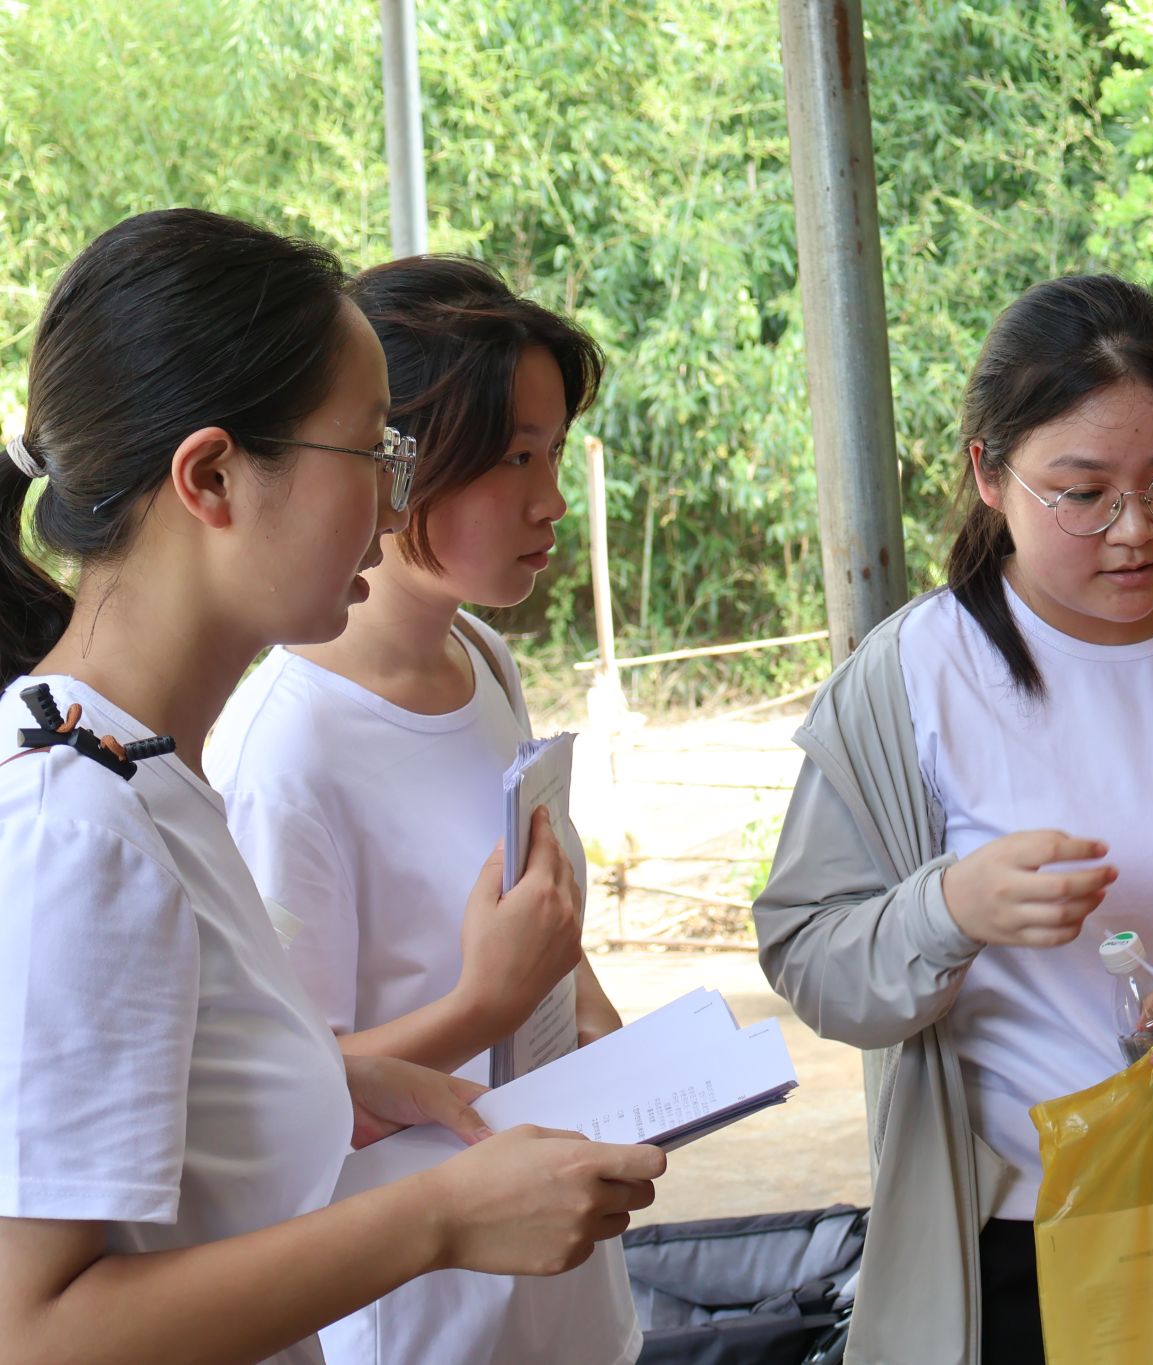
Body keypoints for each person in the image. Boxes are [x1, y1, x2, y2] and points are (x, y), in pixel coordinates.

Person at [0, 208, 663, 1365]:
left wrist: (343, 1079)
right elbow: (35, 1328)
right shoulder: (78, 823)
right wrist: (439, 1217)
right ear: (211, 478)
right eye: (374, 456)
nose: (392, 505)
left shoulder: (139, 769)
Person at [753, 274, 1153, 1365]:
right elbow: (810, 955)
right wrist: (949, 908)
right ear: (988, 475)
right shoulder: (910, 680)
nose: (1135, 531)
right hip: (1012, 1231)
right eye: (1082, 492)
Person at [211, 255, 638, 1365]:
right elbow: (291, 1096)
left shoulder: (478, 654)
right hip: (418, 1320)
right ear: (393, 462)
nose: (548, 500)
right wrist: (482, 999)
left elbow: (538, 929)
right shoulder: (289, 745)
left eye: (550, 454)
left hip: (558, 1286)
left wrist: (628, 1057)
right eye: (512, 459)